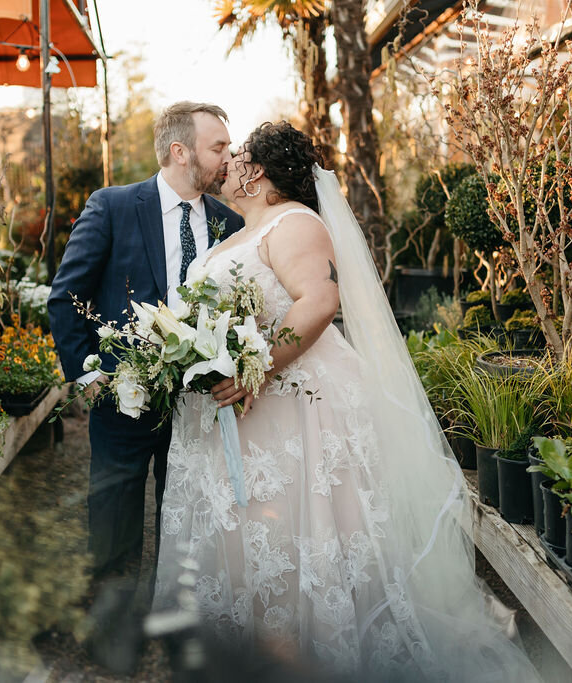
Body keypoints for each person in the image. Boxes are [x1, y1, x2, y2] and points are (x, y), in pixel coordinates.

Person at [152, 122, 539, 681]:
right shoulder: (236, 233)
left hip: (288, 408)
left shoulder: (295, 223)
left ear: (256, 171)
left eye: (236, 155)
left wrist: (252, 365)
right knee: (249, 544)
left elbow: (319, 300)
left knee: (294, 539)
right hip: (236, 416)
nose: (227, 163)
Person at [48, 102, 244, 598]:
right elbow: (66, 295)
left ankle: (175, 625)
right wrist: (89, 376)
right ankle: (113, 632)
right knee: (114, 521)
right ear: (180, 151)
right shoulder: (113, 206)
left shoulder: (229, 222)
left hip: (199, 406)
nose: (228, 156)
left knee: (187, 524)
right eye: (218, 146)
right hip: (124, 400)